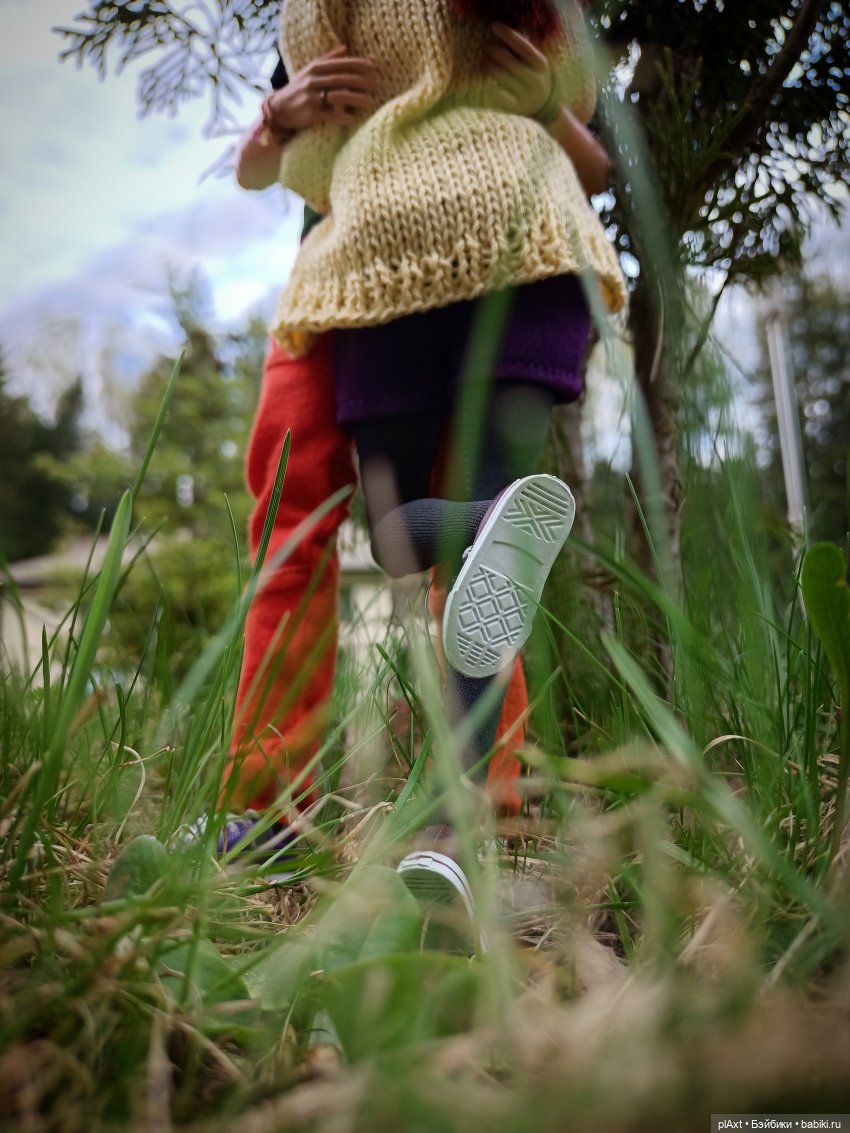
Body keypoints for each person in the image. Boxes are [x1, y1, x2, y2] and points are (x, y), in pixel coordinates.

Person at [261, 0, 626, 938]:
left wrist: (297, 126)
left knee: (407, 540)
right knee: (469, 549)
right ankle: (453, 838)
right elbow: (593, 154)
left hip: (409, 268)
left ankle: (449, 834)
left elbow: (307, 162)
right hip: (505, 248)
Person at [212, 39, 533, 858]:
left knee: (478, 530)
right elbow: (252, 172)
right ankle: (266, 811)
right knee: (288, 524)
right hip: (323, 290)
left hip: (448, 281)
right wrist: (277, 115)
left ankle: (487, 804)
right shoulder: (320, 25)